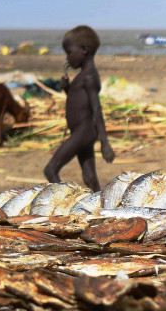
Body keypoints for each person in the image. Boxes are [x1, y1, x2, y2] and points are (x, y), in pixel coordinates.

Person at [43, 25, 115, 190]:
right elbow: (78, 102)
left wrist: (105, 143)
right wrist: (67, 89)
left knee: (51, 169)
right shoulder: (83, 76)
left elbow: (96, 110)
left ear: (84, 50)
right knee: (89, 178)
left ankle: (62, 201)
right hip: (82, 131)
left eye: (69, 52)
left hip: (84, 131)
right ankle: (101, 208)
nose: (67, 58)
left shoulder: (89, 76)